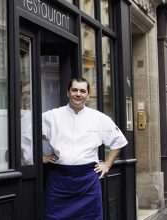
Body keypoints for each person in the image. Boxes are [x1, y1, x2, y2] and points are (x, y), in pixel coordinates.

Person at [42, 77, 128, 220]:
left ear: (88, 95)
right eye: (74, 90)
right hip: (59, 182)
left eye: (82, 91)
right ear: (67, 93)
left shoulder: (99, 118)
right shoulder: (51, 116)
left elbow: (118, 142)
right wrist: (41, 157)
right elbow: (26, 133)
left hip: (87, 182)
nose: (78, 94)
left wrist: (107, 165)